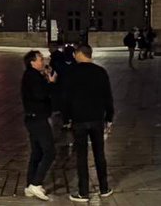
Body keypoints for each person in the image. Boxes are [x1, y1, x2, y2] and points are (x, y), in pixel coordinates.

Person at [61, 45, 114, 203]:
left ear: (79, 54)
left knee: (81, 156)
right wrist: (109, 117)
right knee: (99, 154)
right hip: (97, 119)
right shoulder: (101, 72)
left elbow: (66, 98)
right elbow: (107, 97)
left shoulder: (71, 73)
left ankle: (83, 192)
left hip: (79, 119)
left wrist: (66, 118)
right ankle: (104, 188)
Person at [21, 49, 57, 201]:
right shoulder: (33, 77)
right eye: (40, 59)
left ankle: (30, 185)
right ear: (32, 62)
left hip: (33, 118)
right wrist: (50, 83)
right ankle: (36, 183)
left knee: (37, 152)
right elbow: (40, 95)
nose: (43, 62)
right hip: (38, 119)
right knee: (49, 151)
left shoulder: (32, 75)